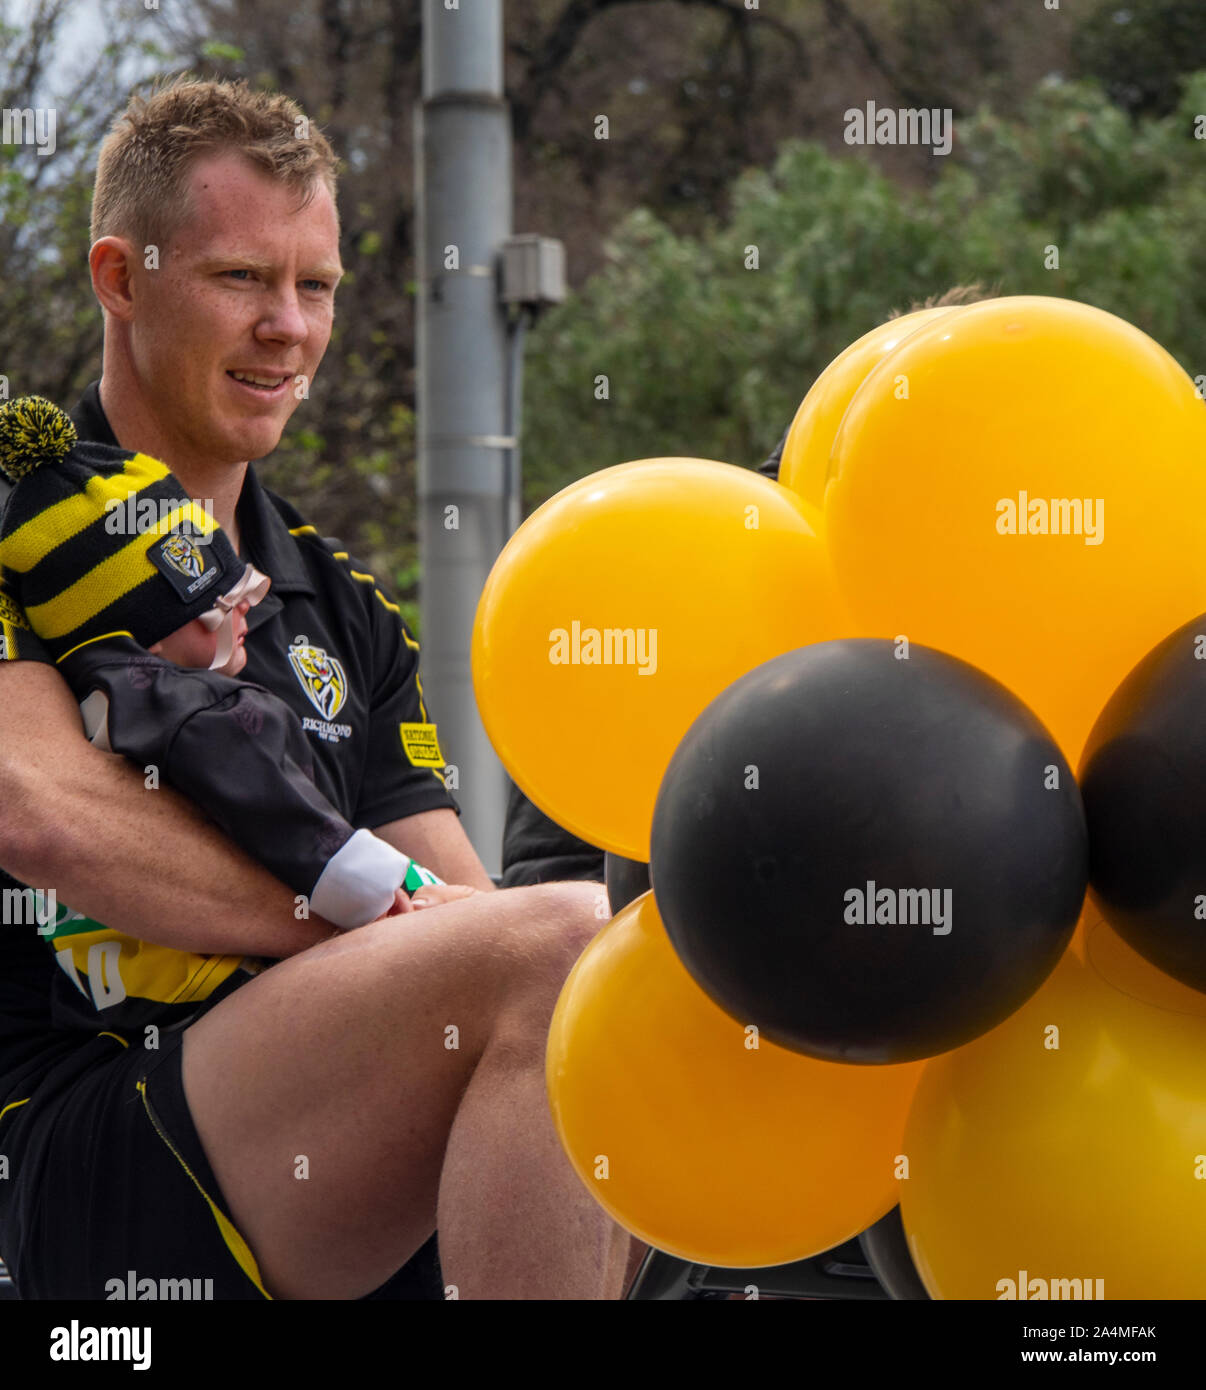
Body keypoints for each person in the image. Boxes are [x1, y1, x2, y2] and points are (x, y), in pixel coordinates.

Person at [0, 75, 632, 1301]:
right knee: (560, 940)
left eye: (318, 286)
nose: (287, 327)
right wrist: (349, 906)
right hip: (81, 1163)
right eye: (241, 278)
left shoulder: (344, 599)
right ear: (121, 280)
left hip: (321, 1166)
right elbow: (40, 811)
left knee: (604, 995)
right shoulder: (25, 518)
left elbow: (463, 916)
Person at [0, 394, 444, 987]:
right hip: (207, 1010)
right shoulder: (212, 715)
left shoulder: (94, 695)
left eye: (248, 590)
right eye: (222, 607)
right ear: (146, 644)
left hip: (103, 994)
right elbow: (299, 826)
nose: (247, 615)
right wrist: (404, 894)